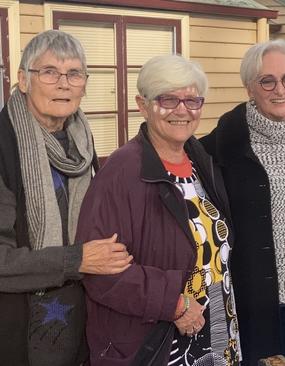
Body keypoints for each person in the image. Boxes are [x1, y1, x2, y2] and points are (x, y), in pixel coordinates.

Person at [76, 55, 240, 365]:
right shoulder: (122, 172)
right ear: (143, 104)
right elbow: (100, 273)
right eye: (168, 99)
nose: (182, 110)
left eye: (192, 100)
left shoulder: (199, 160)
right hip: (157, 343)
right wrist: (174, 304)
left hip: (216, 330)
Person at [0, 30, 133, 366]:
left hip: (84, 322)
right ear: (23, 80)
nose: (64, 83)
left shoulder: (82, 145)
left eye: (74, 73)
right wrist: (74, 260)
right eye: (49, 72)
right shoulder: (4, 147)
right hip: (19, 329)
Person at [200, 39, 285, 365]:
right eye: (267, 81)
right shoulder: (218, 148)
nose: (280, 90)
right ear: (249, 88)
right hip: (250, 301)